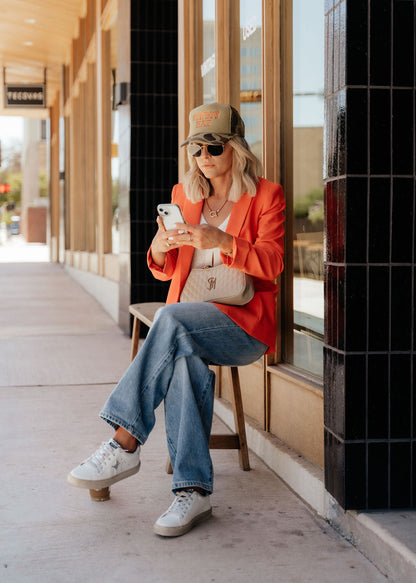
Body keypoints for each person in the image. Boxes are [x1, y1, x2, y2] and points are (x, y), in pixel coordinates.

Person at [68, 102, 285, 537]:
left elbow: (274, 263)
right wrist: (161, 249)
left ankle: (123, 442)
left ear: (236, 148)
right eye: (196, 149)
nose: (204, 157)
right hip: (188, 318)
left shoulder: (265, 195)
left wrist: (222, 239)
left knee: (171, 321)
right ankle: (193, 492)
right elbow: (165, 269)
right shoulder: (186, 195)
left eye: (214, 147)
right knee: (183, 358)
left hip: (243, 325)